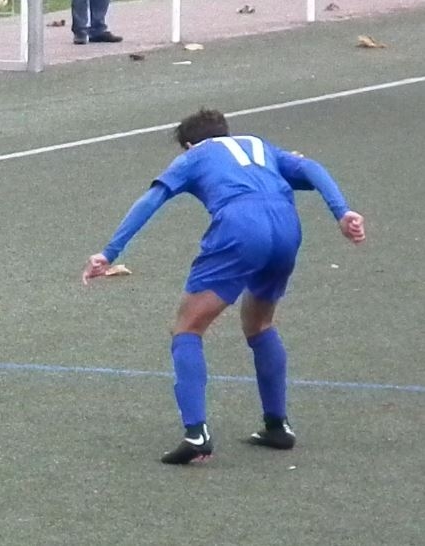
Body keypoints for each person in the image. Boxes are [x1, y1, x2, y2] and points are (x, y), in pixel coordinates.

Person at [82, 108, 365, 464]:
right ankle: (277, 425)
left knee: (187, 327)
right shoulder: (259, 146)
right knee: (259, 324)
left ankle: (196, 434)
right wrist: (342, 211)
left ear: (189, 144)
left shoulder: (195, 156)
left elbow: (152, 199)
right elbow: (310, 169)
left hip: (239, 227)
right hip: (286, 227)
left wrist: (109, 253)